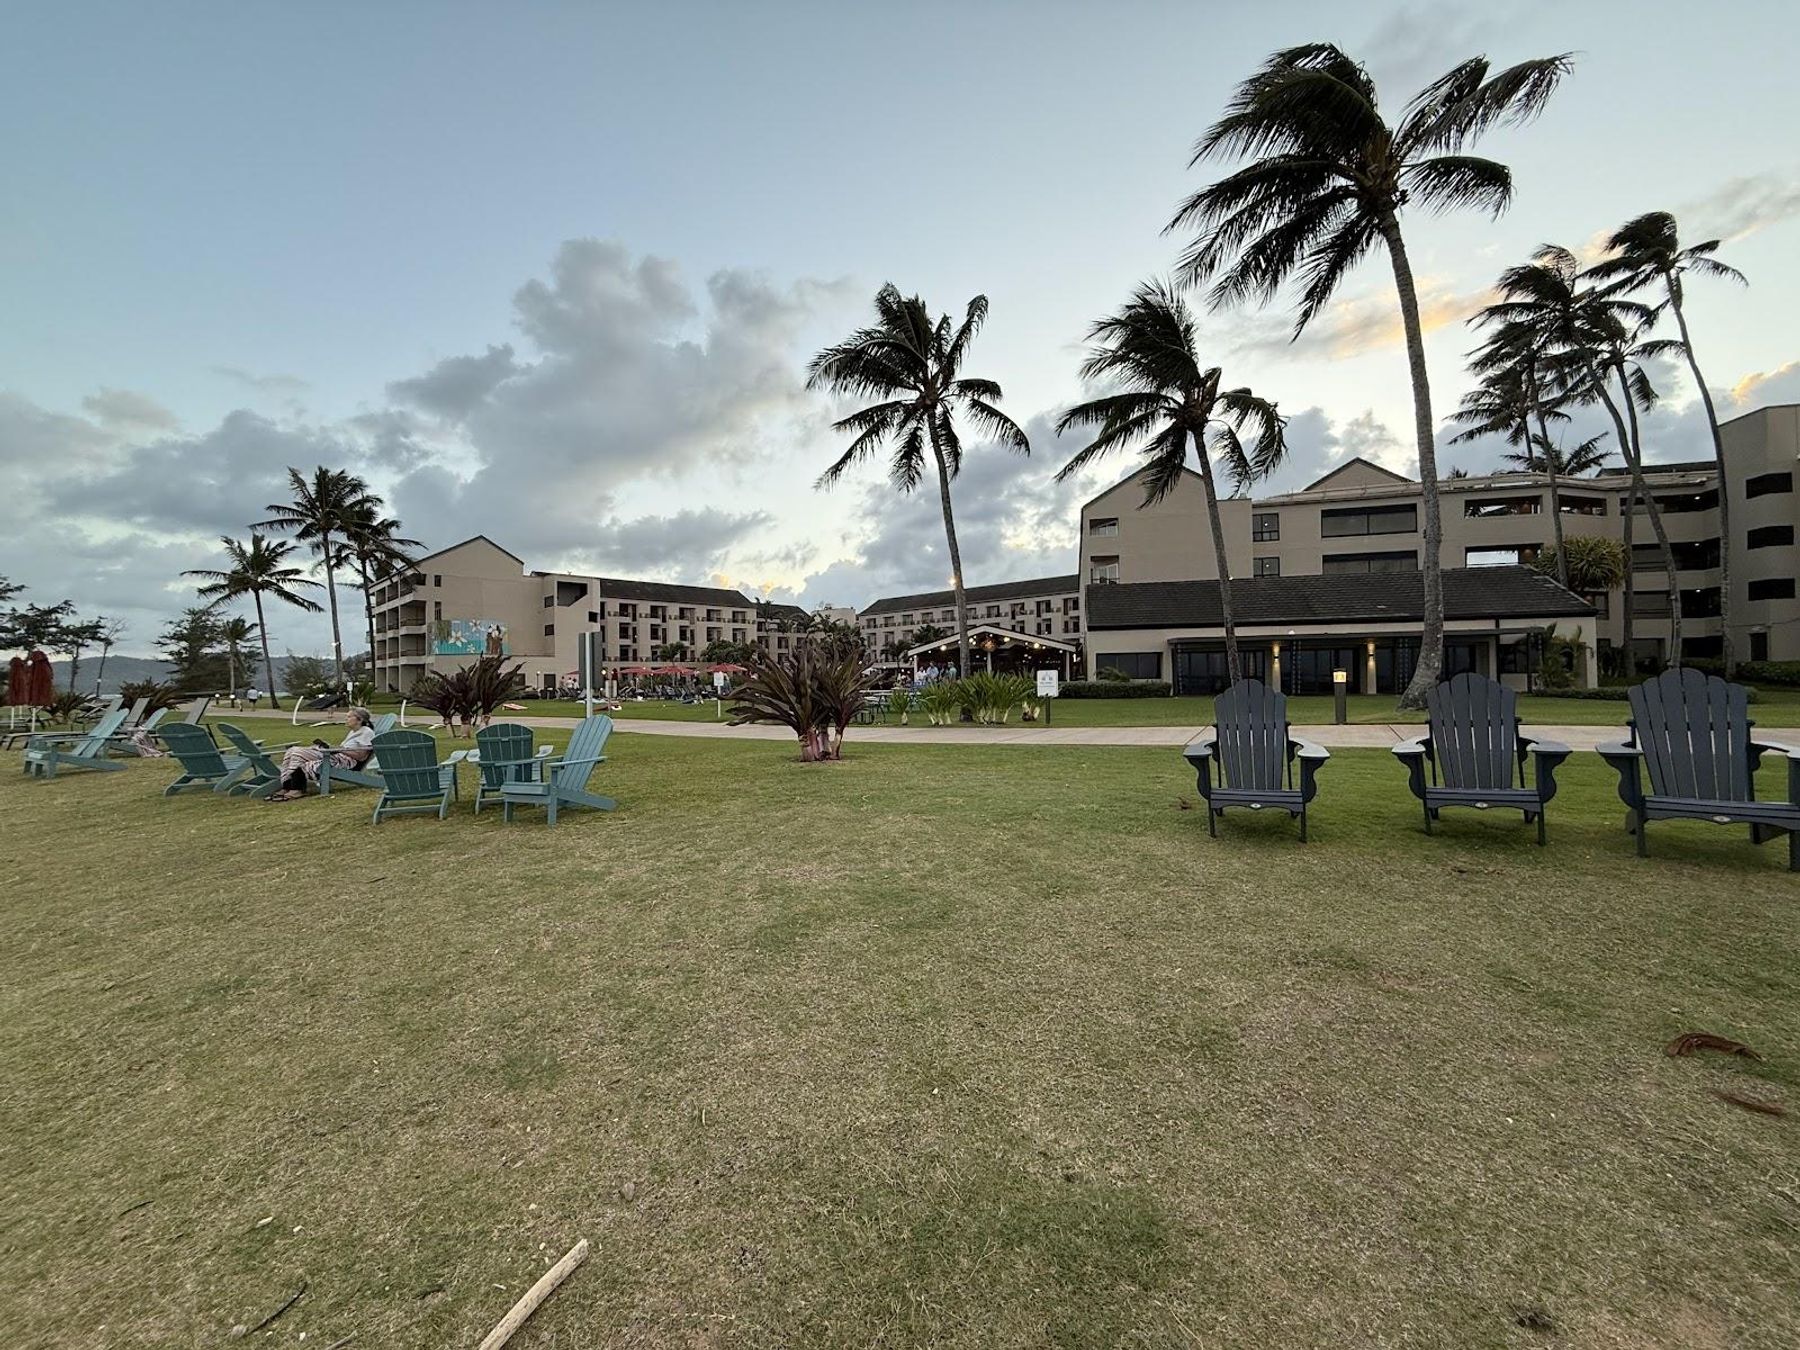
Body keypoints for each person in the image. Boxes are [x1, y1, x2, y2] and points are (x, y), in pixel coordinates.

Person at [270, 707, 376, 801]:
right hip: (336, 756)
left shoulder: (366, 732)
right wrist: (331, 747)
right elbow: (347, 749)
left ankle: (296, 789)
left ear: (360, 720)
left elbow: (362, 756)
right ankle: (288, 786)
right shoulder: (354, 731)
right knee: (291, 751)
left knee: (297, 753)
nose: (346, 719)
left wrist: (338, 749)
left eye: (349, 717)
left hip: (346, 762)